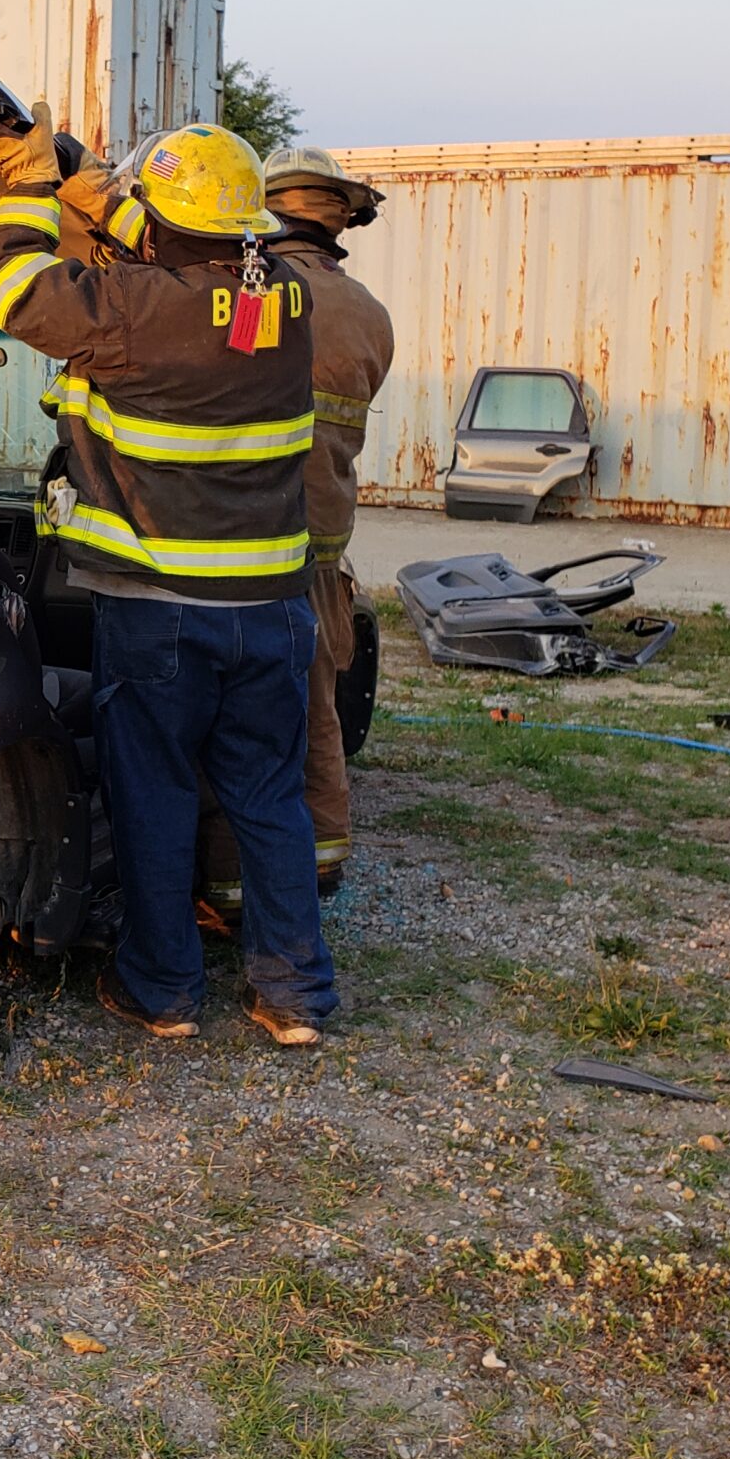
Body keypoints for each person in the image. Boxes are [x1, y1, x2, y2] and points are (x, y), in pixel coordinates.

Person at [0, 107, 333, 1047]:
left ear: (165, 226)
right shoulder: (283, 299)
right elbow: (179, 248)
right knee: (267, 799)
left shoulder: (134, 311)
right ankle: (295, 995)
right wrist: (78, 171)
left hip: (161, 613)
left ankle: (163, 989)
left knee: (158, 798)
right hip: (274, 611)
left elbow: (11, 288)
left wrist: (26, 188)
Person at [262, 145, 395, 899]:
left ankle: (229, 885)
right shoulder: (369, 314)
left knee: (242, 721)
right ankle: (323, 862)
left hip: (244, 545)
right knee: (316, 713)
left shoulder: (254, 296)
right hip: (321, 554)